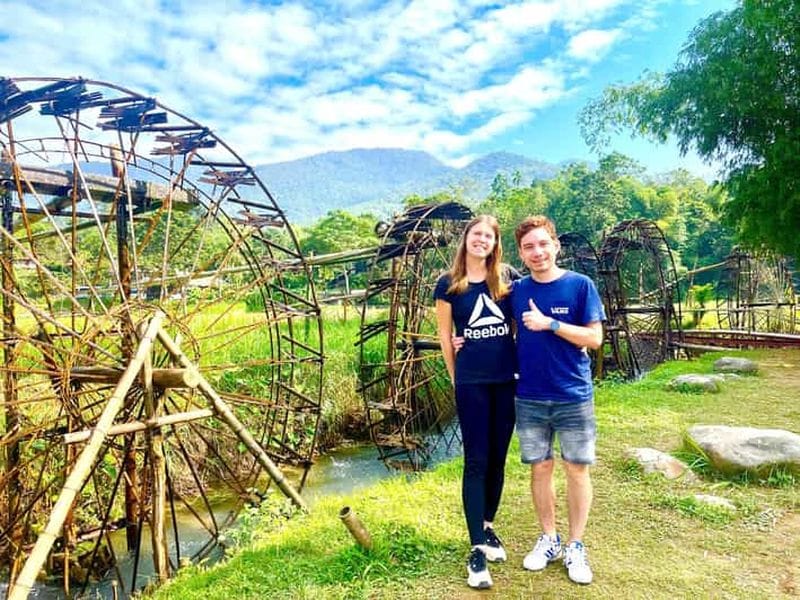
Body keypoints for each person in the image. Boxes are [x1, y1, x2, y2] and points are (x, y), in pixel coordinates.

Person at [511, 215, 605, 585]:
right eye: (528, 247)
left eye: (542, 244)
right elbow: (490, 326)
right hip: (530, 395)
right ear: (521, 253)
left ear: (555, 245)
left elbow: (594, 339)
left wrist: (550, 323)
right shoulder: (516, 290)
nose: (537, 252)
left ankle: (575, 545)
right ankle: (549, 538)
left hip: (572, 395)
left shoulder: (580, 286)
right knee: (540, 467)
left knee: (576, 469)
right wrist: (461, 341)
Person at [434, 215, 517, 590]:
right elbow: (444, 337)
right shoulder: (448, 284)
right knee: (476, 461)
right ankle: (476, 550)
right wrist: (456, 377)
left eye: (489, 236)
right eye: (476, 234)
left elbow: (516, 325)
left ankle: (488, 526)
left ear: (495, 242)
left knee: (499, 458)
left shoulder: (506, 279)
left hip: (505, 381)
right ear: (465, 238)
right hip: (472, 382)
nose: (481, 240)